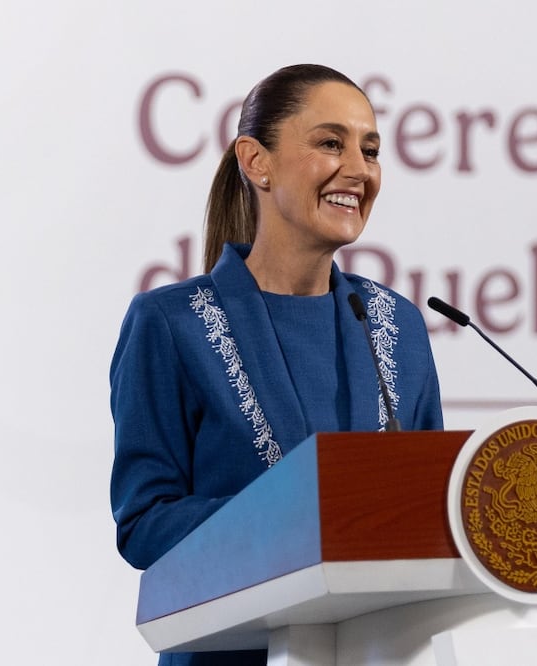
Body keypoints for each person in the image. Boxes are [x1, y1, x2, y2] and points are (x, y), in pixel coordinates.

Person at [109, 64, 444, 666]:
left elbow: (429, 511)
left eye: (370, 150)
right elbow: (144, 523)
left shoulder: (398, 326)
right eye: (329, 143)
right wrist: (298, 521)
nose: (358, 169)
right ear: (256, 162)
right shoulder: (170, 323)